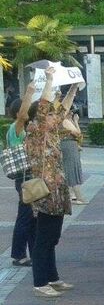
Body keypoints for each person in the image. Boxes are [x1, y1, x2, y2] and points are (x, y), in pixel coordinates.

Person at [24, 70, 77, 298]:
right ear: (40, 116)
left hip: (56, 191)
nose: (56, 116)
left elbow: (63, 109)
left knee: (52, 238)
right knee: (44, 238)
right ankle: (40, 282)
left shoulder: (52, 131)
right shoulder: (35, 130)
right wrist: (49, 80)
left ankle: (52, 277)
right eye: (49, 114)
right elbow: (45, 103)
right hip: (45, 192)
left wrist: (74, 87)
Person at [8, 91, 36, 268]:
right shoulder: (16, 129)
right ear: (19, 112)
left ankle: (33, 252)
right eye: (25, 109)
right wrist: (30, 92)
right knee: (25, 216)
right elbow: (22, 116)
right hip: (24, 178)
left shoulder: (23, 129)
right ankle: (18, 255)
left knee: (31, 217)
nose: (28, 112)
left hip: (27, 177)